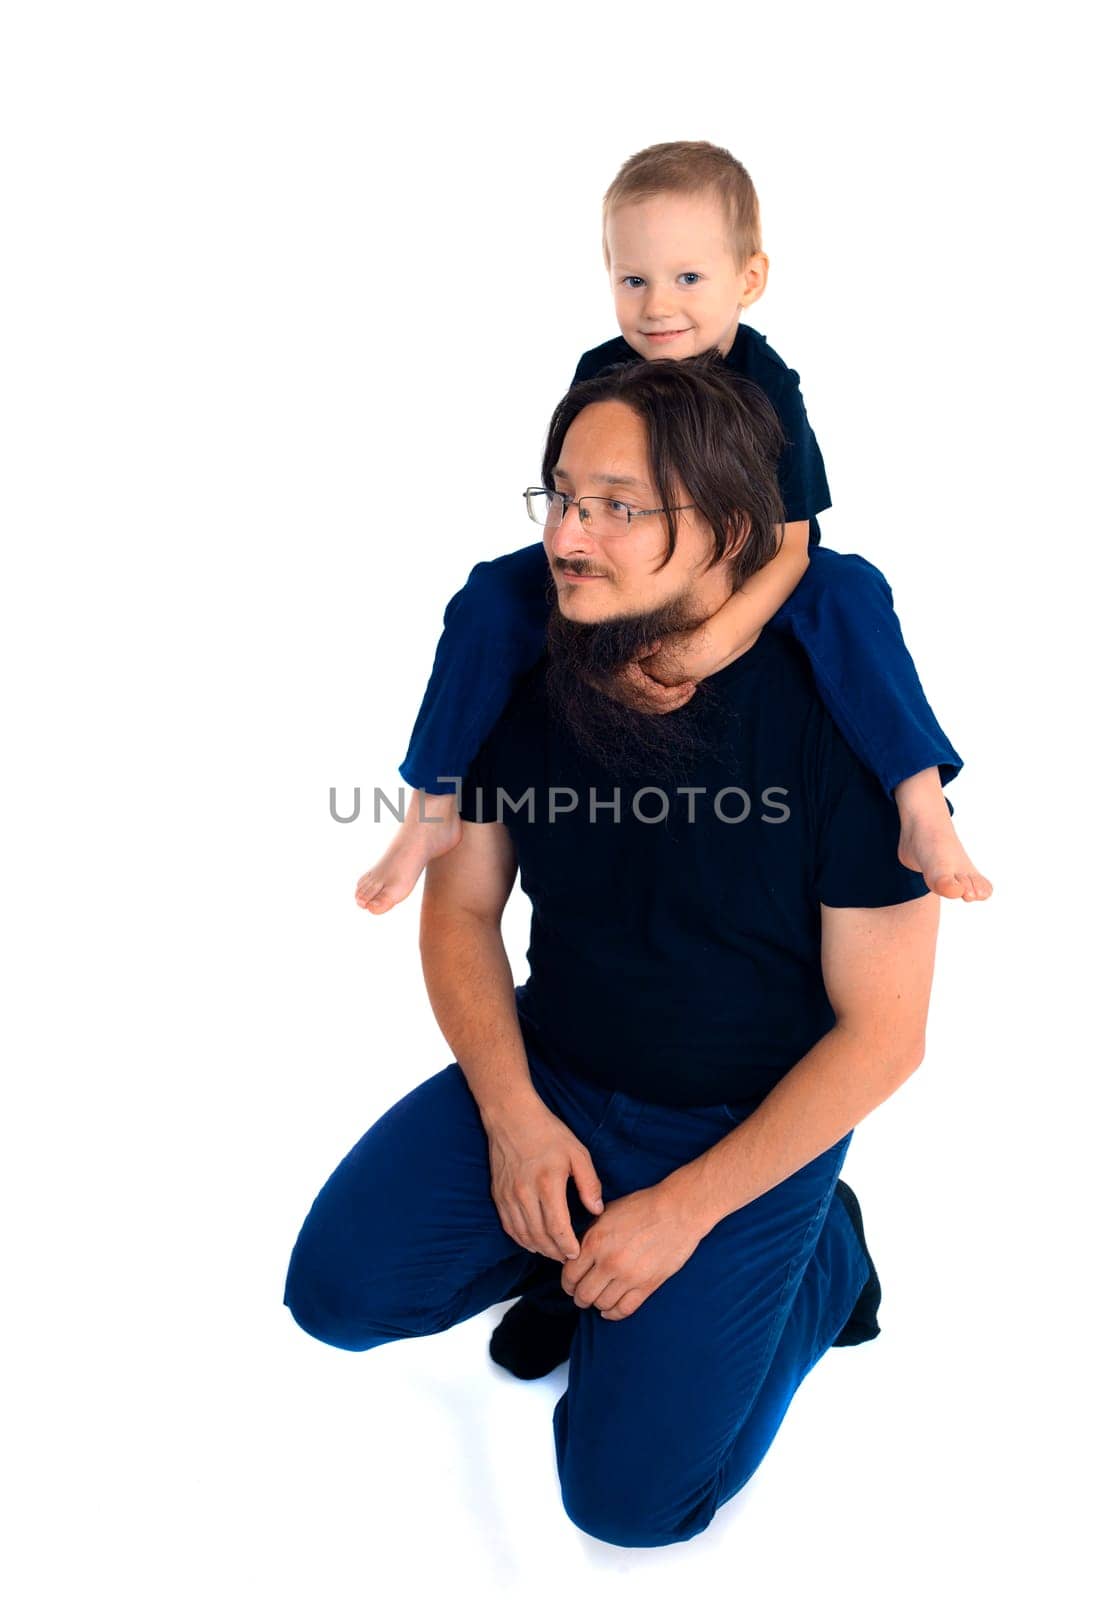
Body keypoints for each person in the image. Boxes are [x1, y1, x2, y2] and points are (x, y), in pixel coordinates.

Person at [285, 355, 942, 1548]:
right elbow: (461, 911)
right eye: (559, 495)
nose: (568, 533)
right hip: (560, 1079)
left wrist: (685, 1209)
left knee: (633, 1509)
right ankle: (574, 1255)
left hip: (746, 1126)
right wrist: (516, 1117)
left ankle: (822, 1257)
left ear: (732, 530)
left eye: (618, 505)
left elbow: (886, 1033)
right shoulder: (524, 663)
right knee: (336, 1293)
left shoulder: (841, 712)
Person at [355, 138, 991, 917]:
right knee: (490, 595)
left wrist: (719, 636)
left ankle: (921, 806)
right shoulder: (601, 370)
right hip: (637, 557)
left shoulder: (767, 384)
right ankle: (429, 806)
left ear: (747, 279)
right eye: (634, 279)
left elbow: (791, 542)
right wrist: (594, 632)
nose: (657, 306)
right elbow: (580, 508)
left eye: (688, 278)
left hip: (755, 566)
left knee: (852, 590)